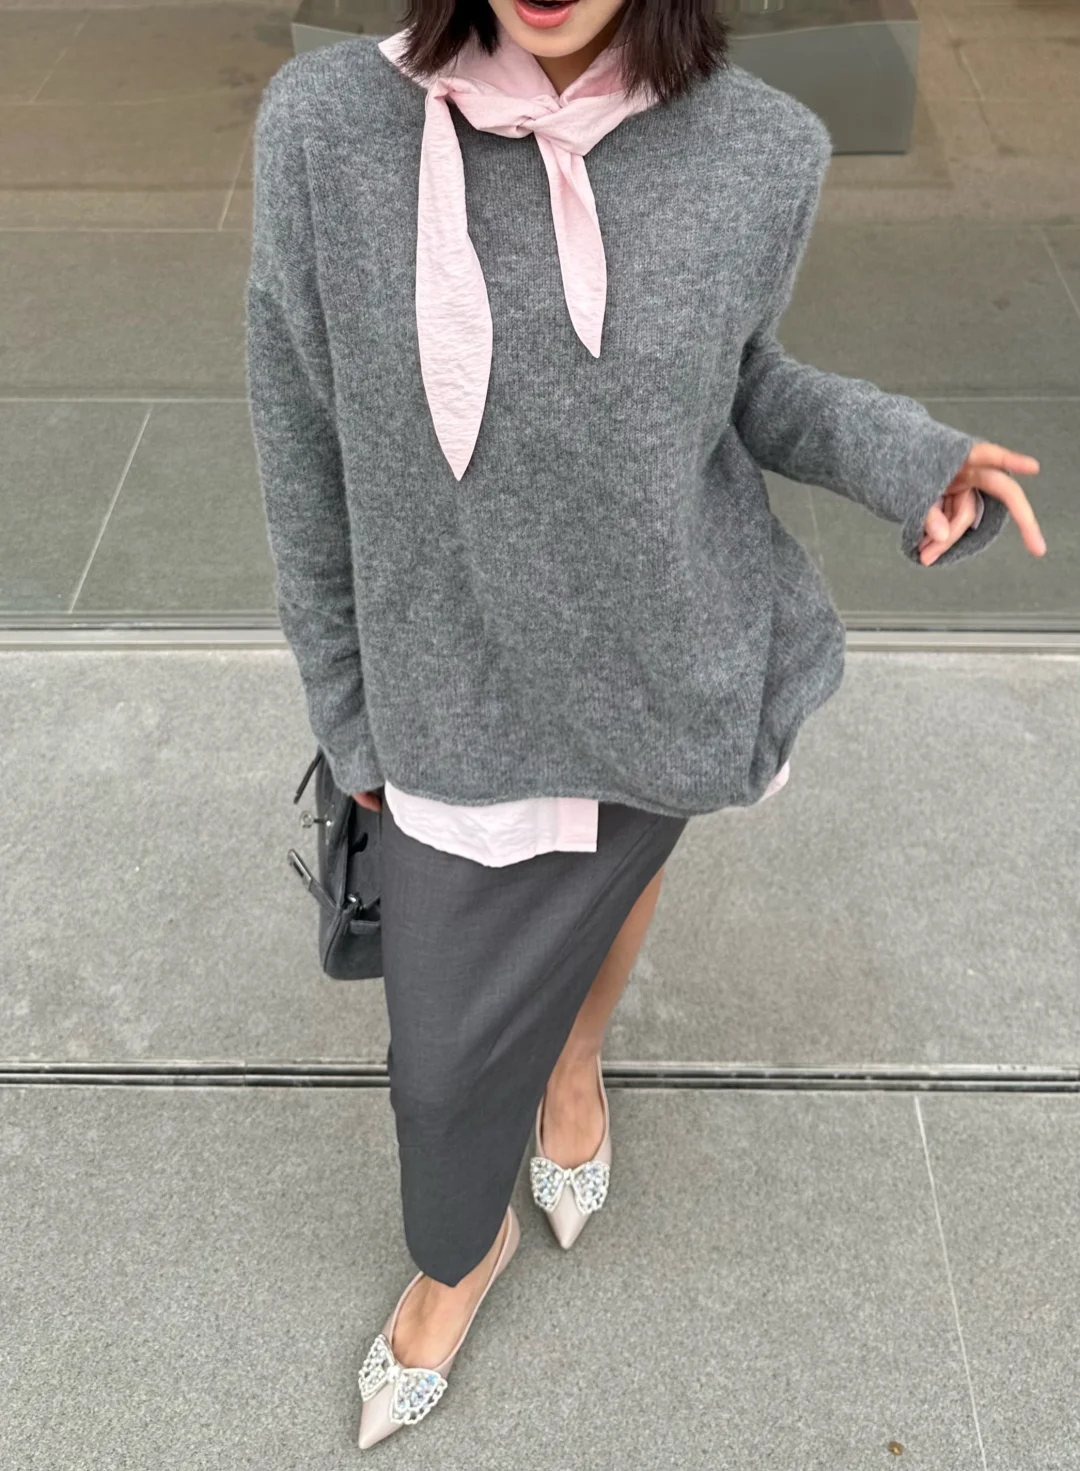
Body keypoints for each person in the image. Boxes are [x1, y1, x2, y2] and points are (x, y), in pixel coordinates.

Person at [244, 0, 1045, 1449]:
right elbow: (300, 435)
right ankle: (459, 1248)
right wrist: (348, 713)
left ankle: (574, 1063)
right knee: (438, 1074)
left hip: (661, 664)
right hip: (455, 689)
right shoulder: (327, 130)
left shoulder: (759, 147)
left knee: (612, 887)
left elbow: (736, 381)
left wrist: (907, 458)